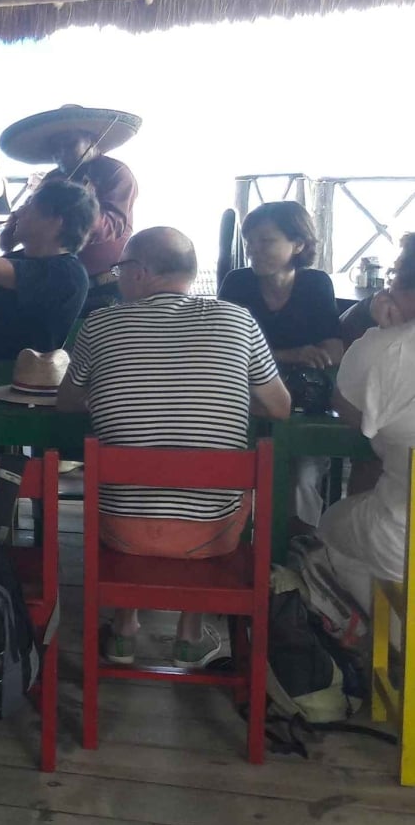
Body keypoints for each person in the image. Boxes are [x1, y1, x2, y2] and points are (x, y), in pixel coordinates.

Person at [56, 227, 290, 668]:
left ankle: (124, 629)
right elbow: (280, 407)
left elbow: (67, 403)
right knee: (212, 479)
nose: (117, 277)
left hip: (122, 530)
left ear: (141, 272)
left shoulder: (101, 324)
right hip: (212, 534)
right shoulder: (238, 320)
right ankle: (189, 634)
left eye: (120, 269)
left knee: (129, 473)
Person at [219, 201, 344, 528]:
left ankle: (297, 544)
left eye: (266, 241)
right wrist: (294, 354)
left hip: (304, 400)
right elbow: (223, 349)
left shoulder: (315, 284)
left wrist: (294, 356)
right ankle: (234, 535)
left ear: (298, 244)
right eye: (249, 242)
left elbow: (334, 348)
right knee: (232, 462)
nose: (253, 250)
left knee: (303, 474)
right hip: (246, 398)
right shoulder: (237, 283)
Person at [317, 269, 415, 614]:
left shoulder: (388, 347)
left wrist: (386, 331)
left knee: (329, 527)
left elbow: (349, 409)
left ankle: (385, 639)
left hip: (402, 541)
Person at [0, 105, 141, 316]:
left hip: (104, 286)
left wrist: (79, 207)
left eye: (69, 144)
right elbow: (12, 237)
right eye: (55, 147)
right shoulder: (52, 178)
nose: (60, 152)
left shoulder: (116, 172)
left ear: (92, 140)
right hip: (55, 282)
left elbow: (112, 226)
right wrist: (16, 226)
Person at [0, 180, 96, 361]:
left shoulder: (67, 274)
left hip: (9, 375)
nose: (18, 212)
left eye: (29, 206)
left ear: (55, 222)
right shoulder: (21, 258)